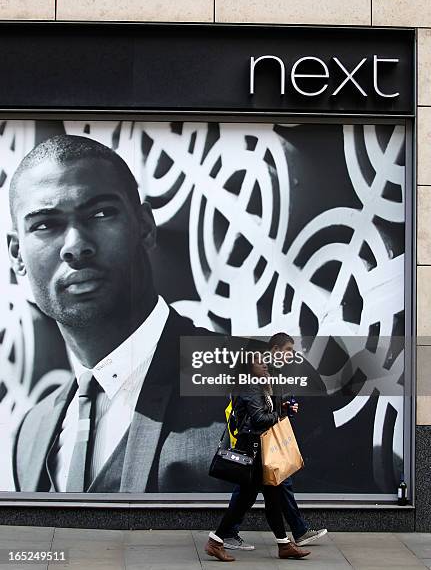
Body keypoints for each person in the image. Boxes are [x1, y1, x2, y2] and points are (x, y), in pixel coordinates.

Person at [8, 134, 226, 493]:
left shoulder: (265, 374)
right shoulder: (29, 434)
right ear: (17, 254)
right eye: (45, 224)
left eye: (100, 213)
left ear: (145, 226)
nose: (76, 246)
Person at [221, 333, 327, 550]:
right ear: (276, 350)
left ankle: (291, 537)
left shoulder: (270, 372)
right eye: (288, 350)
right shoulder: (255, 376)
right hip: (256, 441)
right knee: (254, 490)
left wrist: (284, 407)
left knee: (272, 488)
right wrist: (280, 414)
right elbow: (257, 412)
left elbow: (268, 404)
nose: (291, 355)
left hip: (265, 439)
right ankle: (224, 536)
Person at [205, 351, 311, 562]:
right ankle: (215, 541)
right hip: (254, 450)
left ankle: (283, 544)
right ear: (248, 367)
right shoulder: (249, 387)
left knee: (272, 497)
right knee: (249, 498)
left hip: (261, 450)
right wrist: (282, 413)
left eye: (265, 362)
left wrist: (285, 406)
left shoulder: (259, 385)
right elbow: (260, 419)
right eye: (259, 363)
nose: (264, 366)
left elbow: (268, 410)